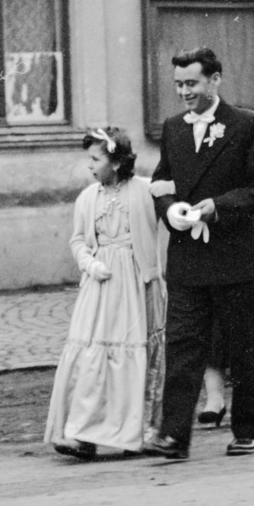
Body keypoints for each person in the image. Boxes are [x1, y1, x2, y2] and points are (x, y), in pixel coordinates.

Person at [146, 49, 254, 462]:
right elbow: (160, 182)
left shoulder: (246, 124)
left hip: (236, 257)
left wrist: (216, 207)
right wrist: (169, 209)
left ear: (215, 80)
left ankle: (246, 430)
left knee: (244, 348)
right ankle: (174, 435)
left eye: (192, 84)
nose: (184, 92)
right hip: (188, 259)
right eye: (179, 85)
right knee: (183, 346)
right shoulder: (173, 128)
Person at [45, 128, 164, 461]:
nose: (90, 165)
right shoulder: (88, 198)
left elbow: (170, 214)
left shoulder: (144, 191)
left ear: (116, 161)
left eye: (96, 159)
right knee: (91, 354)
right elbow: (78, 239)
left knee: (133, 351)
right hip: (100, 285)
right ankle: (82, 433)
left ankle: (134, 433)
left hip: (136, 283)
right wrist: (88, 262)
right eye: (89, 159)